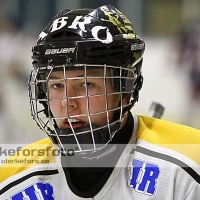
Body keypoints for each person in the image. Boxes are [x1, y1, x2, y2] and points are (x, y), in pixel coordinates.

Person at [0, 5, 200, 200]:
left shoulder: (186, 168)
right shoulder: (12, 179)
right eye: (57, 86)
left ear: (125, 87)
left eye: (86, 84)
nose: (68, 103)